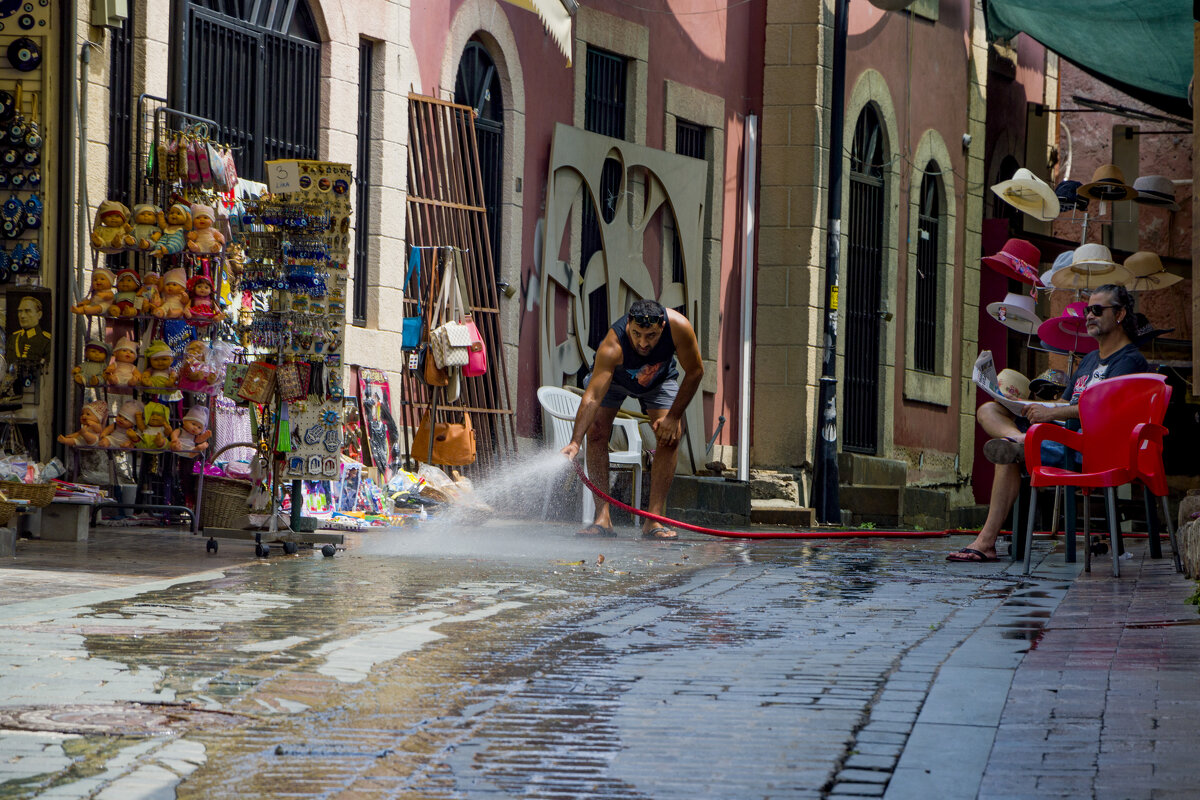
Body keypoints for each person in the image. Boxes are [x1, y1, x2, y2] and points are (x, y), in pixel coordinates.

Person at [948, 284, 1148, 563]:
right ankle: (1020, 441)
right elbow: (1066, 402)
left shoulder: (1129, 361)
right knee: (988, 410)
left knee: (1007, 455)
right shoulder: (1090, 359)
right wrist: (1028, 406)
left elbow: (1106, 410)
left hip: (1091, 446)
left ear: (1120, 314)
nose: (1089, 315)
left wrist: (1051, 415)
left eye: (1097, 310)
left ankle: (986, 541)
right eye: (1088, 309)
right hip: (1060, 436)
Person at [561, 299, 704, 539]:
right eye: (637, 334)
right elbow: (593, 396)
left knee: (671, 435)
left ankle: (654, 521)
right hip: (615, 380)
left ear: (662, 327)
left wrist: (673, 417)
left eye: (651, 336)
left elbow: (696, 371)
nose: (642, 342)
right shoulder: (613, 344)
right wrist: (575, 441)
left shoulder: (679, 327)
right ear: (628, 324)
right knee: (595, 430)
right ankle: (602, 519)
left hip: (658, 381)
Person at [7, 294, 51, 364]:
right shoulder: (13, 338)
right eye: (20, 311)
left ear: (39, 315)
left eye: (27, 311)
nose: (22, 316)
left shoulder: (46, 341)